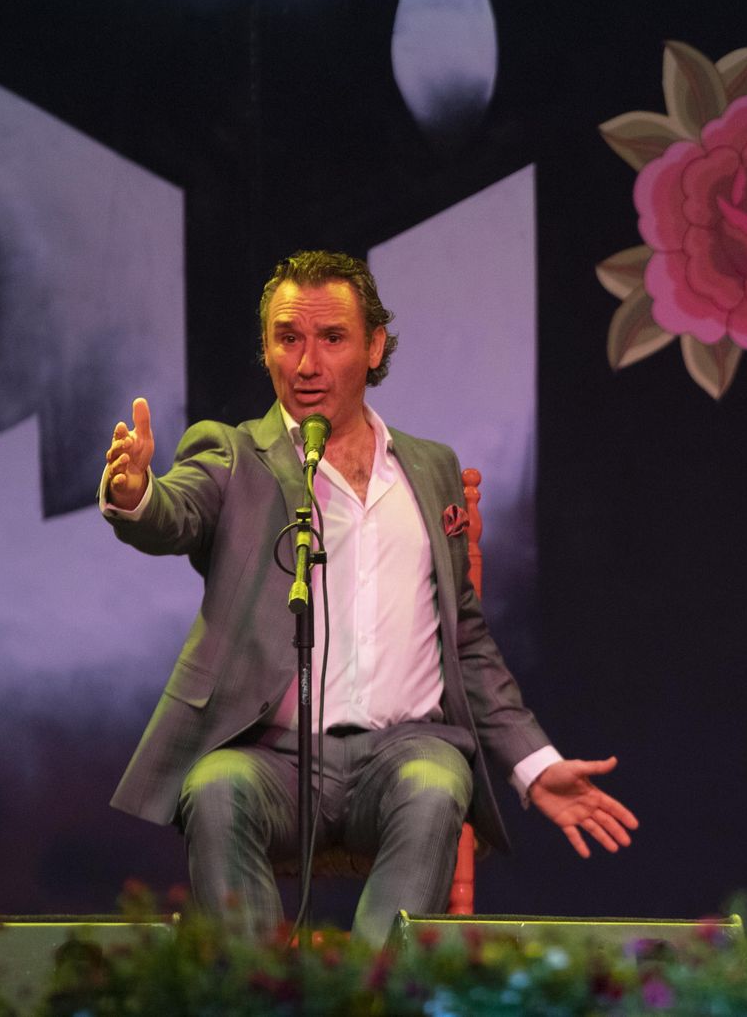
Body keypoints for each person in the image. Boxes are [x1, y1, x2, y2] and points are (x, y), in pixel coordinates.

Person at [102, 250, 638, 944]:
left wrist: (534, 765)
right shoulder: (235, 457)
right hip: (272, 757)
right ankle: (256, 995)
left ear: (375, 345)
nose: (307, 364)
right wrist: (136, 494)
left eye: (332, 339)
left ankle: (372, 996)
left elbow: (464, 638)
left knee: (438, 781)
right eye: (288, 338)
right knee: (214, 788)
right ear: (266, 348)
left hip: (402, 751)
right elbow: (174, 511)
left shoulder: (430, 469)